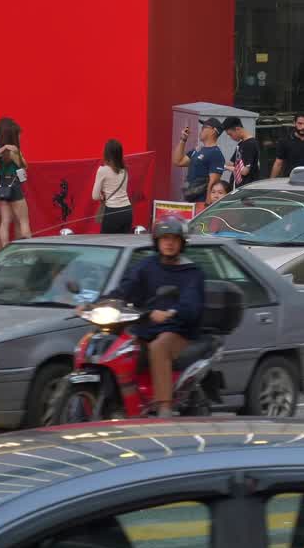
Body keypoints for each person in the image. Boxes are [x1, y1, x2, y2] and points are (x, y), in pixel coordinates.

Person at [108, 218, 205, 417]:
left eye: (174, 239)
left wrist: (172, 312)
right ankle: (124, 403)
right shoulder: (146, 266)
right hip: (145, 327)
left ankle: (164, 407)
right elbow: (125, 289)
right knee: (119, 348)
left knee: (158, 346)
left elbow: (191, 303)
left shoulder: (192, 273)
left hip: (177, 330)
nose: (169, 243)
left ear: (182, 243)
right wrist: (98, 304)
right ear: (157, 241)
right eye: (165, 238)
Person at [0, 118, 31, 249]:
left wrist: (3, 149)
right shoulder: (14, 151)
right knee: (23, 220)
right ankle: (27, 251)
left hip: (2, 186)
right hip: (14, 186)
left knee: (5, 222)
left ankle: (3, 250)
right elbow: (24, 166)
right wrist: (16, 153)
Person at [173, 118, 225, 202]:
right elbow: (178, 161)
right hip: (189, 198)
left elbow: (214, 181)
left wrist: (207, 204)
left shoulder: (215, 153)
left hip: (201, 202)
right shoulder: (198, 150)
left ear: (213, 131)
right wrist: (183, 140)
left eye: (204, 127)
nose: (201, 129)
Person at [93, 139, 132, 234]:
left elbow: (95, 196)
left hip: (112, 212)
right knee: (123, 242)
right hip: (127, 210)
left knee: (106, 243)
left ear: (106, 154)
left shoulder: (102, 170)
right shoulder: (125, 170)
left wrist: (103, 197)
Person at [271, 113, 304, 178]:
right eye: (300, 123)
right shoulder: (285, 140)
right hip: (290, 180)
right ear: (294, 123)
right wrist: (271, 181)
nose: (303, 127)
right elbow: (278, 163)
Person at [222, 116, 260, 188]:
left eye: (230, 134)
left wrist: (226, 167)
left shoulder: (251, 144)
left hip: (247, 188)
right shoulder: (241, 144)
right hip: (237, 187)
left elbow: (244, 171)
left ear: (237, 129)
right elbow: (231, 163)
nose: (231, 137)